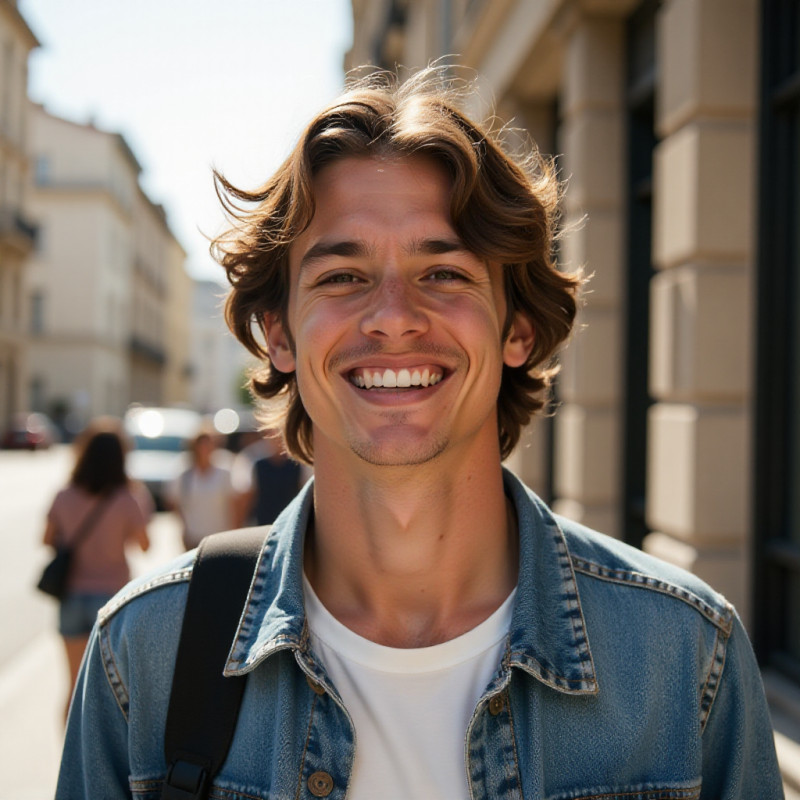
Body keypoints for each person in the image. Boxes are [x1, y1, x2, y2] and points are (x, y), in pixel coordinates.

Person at [56, 67, 784, 799]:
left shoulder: (686, 659)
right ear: (278, 335)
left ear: (518, 329)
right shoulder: (144, 656)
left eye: (444, 274)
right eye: (343, 277)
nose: (393, 316)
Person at [42, 417, 151, 716]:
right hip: (112, 600)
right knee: (109, 694)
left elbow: (47, 539)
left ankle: (68, 759)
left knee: (74, 686)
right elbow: (144, 544)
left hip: (72, 597)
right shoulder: (127, 498)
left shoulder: (64, 495)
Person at [167, 429, 236, 549]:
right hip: (194, 537)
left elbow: (234, 504)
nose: (205, 449)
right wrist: (184, 529)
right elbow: (175, 503)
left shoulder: (224, 472)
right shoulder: (185, 475)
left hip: (221, 537)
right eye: (202, 445)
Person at [231, 428, 305, 526]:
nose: (277, 441)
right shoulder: (256, 463)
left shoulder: (298, 465)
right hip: (263, 523)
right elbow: (247, 497)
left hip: (289, 523)